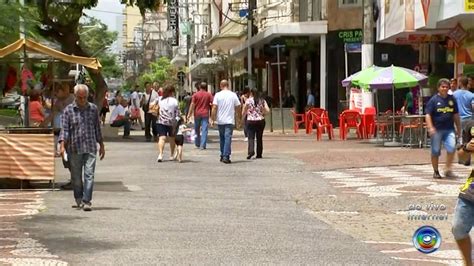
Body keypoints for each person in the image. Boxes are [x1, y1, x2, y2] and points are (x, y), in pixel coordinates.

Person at [59, 84, 105, 211]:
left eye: (84, 97)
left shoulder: (93, 109)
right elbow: (65, 130)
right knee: (76, 177)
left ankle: (87, 201)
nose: (82, 100)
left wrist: (101, 145)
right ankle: (78, 198)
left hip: (90, 147)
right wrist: (62, 146)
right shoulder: (68, 110)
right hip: (75, 148)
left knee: (89, 174)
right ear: (75, 96)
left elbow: (97, 128)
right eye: (80, 98)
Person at [425, 78, 462, 179]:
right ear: (438, 88)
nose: (445, 89)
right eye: (442, 87)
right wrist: (430, 127)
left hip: (449, 129)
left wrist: (458, 128)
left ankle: (447, 169)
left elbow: (456, 115)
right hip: (436, 130)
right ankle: (436, 171)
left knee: (452, 147)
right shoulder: (433, 100)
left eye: (446, 87)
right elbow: (428, 115)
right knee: (435, 151)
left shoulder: (452, 99)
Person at [452, 119, 474, 266]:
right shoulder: (470, 126)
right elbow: (461, 158)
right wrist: (466, 148)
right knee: (458, 228)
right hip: (472, 188)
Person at [211, 80, 241, 164]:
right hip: (229, 120)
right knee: (228, 138)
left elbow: (214, 107)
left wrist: (212, 118)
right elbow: (238, 107)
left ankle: (223, 154)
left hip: (220, 120)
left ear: (221, 85)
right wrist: (239, 118)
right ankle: (225, 156)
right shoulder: (233, 95)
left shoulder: (217, 95)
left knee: (222, 138)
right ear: (228, 85)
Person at [242, 88, 270, 159]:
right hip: (260, 120)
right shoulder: (262, 100)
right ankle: (259, 154)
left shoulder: (248, 100)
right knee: (259, 137)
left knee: (251, 137)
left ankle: (251, 151)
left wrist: (242, 118)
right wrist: (263, 113)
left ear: (251, 93)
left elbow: (244, 110)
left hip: (250, 121)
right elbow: (268, 110)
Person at [155, 85, 179, 162]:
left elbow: (152, 105)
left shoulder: (159, 99)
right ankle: (172, 155)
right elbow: (177, 113)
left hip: (160, 121)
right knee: (172, 138)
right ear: (172, 92)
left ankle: (160, 154)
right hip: (172, 122)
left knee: (162, 138)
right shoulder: (174, 101)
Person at [453, 76, 474, 165]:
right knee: (468, 139)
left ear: (460, 83)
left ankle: (461, 158)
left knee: (459, 138)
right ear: (467, 83)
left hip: (458, 119)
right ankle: (467, 160)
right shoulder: (471, 95)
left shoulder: (454, 94)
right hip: (469, 119)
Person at [187, 82, 213, 149]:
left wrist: (189, 114)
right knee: (204, 129)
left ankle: (197, 142)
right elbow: (212, 104)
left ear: (200, 87)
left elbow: (192, 104)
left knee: (197, 129)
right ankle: (203, 145)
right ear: (206, 87)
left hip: (197, 114)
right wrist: (212, 115)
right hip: (205, 114)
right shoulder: (209, 95)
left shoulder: (195, 95)